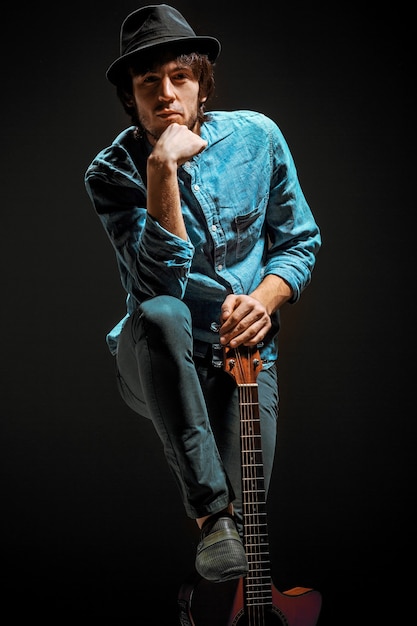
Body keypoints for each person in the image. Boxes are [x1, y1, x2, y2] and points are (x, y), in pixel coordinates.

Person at [84, 4, 321, 585]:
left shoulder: (258, 137)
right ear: (131, 98)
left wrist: (263, 299)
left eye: (179, 78)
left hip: (242, 355)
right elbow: (157, 287)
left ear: (201, 85)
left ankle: (225, 540)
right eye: (148, 83)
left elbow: (299, 242)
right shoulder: (112, 173)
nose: (166, 93)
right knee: (165, 312)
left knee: (249, 532)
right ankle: (210, 513)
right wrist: (161, 167)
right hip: (157, 352)